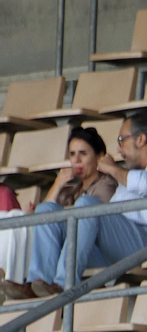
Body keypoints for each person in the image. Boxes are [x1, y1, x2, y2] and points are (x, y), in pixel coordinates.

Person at [26, 112, 147, 295]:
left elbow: (146, 183)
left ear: (141, 139)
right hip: (118, 249)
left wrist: (111, 168)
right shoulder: (128, 173)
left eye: (122, 140)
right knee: (47, 210)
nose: (119, 149)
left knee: (88, 205)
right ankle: (39, 283)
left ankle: (63, 285)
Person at [0, 126, 117, 300]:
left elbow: (92, 225)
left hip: (98, 249)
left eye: (83, 154)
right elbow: (45, 215)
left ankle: (61, 285)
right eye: (72, 154)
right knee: (44, 213)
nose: (76, 160)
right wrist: (58, 183)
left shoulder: (106, 184)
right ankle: (36, 282)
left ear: (99, 157)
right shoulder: (71, 189)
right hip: (69, 251)